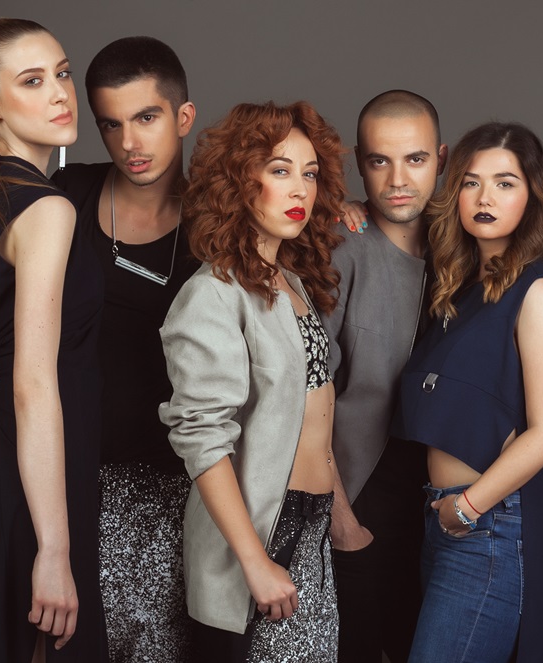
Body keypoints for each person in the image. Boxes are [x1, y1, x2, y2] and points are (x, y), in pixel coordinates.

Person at [0, 36, 199, 661]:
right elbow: (8, 311)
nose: (130, 142)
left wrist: (348, 212)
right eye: (111, 124)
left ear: (183, 117)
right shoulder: (66, 193)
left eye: (146, 118)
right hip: (67, 478)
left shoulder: (220, 221)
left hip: (175, 488)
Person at [0, 13, 106, 662]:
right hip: (30, 493)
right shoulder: (48, 210)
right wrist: (54, 551)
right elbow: (33, 384)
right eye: (33, 81)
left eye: (62, 73)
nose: (61, 93)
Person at [158, 101, 346, 662]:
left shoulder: (290, 281)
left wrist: (338, 522)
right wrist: (254, 560)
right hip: (259, 534)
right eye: (279, 170)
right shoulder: (212, 293)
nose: (300, 189)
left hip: (312, 532)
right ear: (239, 181)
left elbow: (311, 412)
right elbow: (202, 438)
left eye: (310, 173)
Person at [394, 122, 543, 662]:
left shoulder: (537, 291)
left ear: (532, 196)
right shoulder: (459, 289)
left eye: (505, 183)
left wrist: (469, 508)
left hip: (488, 523)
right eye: (470, 183)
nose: (485, 198)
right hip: (445, 517)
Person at [322, 89, 446, 662]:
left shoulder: (464, 247)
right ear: (359, 162)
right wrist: (343, 523)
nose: (398, 180)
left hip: (448, 510)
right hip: (361, 499)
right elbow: (303, 398)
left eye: (415, 159)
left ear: (441, 158)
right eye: (379, 161)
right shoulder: (340, 251)